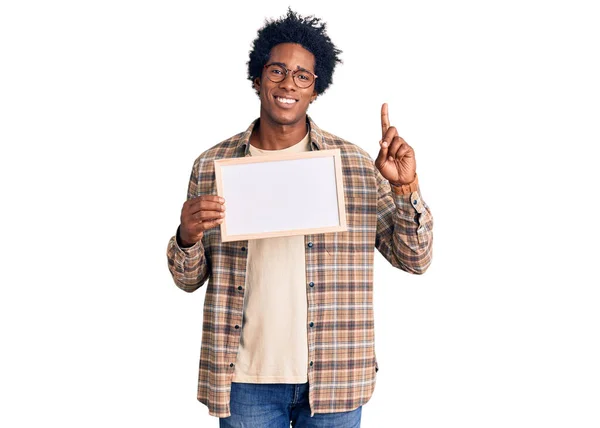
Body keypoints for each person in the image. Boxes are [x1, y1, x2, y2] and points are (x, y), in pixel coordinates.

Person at [166, 8, 433, 428]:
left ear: (315, 88)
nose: (288, 83)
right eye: (277, 71)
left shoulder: (355, 166)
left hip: (335, 377)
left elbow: (415, 258)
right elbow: (187, 279)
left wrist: (406, 187)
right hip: (244, 381)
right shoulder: (212, 166)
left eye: (302, 75)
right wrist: (187, 234)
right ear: (257, 78)